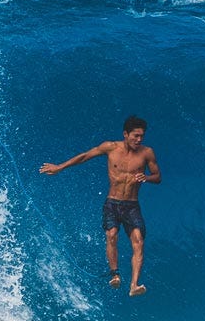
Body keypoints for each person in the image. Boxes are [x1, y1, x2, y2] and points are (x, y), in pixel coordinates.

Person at [40, 115, 161, 297]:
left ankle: (134, 285)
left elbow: (157, 176)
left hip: (132, 205)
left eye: (141, 136)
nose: (139, 139)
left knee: (138, 242)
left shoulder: (147, 153)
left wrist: (147, 178)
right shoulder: (110, 147)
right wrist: (60, 167)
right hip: (112, 202)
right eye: (135, 136)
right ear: (125, 134)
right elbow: (85, 156)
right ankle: (115, 275)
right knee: (111, 235)